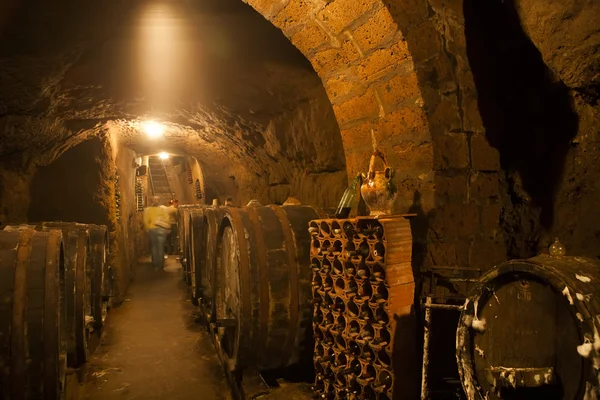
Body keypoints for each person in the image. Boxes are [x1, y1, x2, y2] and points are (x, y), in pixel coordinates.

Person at [143, 196, 170, 270]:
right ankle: (161, 265)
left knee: (154, 247)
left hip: (152, 229)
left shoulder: (147, 210)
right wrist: (167, 227)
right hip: (162, 229)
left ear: (151, 201)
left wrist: (147, 228)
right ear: (159, 201)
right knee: (161, 247)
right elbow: (167, 219)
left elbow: (145, 221)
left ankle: (155, 264)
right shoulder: (164, 208)